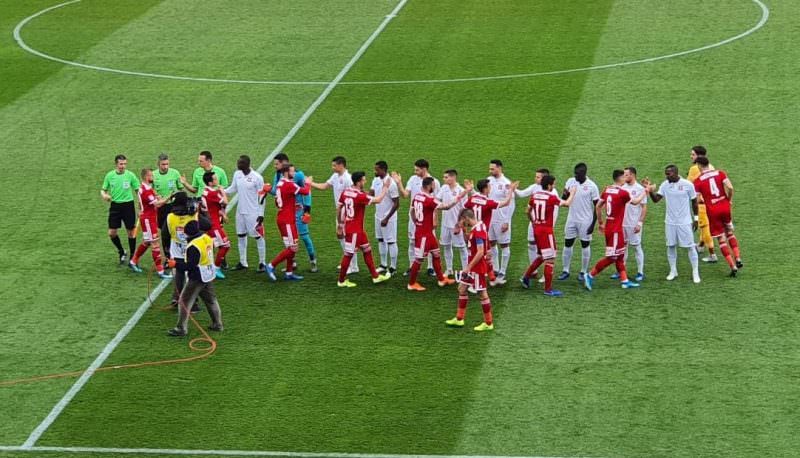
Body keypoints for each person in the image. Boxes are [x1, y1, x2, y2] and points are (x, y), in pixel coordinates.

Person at [320, 171, 392, 287]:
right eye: (364, 180)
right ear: (358, 182)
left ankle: (375, 276)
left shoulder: (346, 192)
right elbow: (378, 200)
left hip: (357, 230)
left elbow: (338, 208)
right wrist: (385, 187)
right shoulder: (359, 196)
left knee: (367, 250)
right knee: (348, 254)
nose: (365, 181)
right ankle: (341, 281)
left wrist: (340, 224)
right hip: (354, 231)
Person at [405, 177, 475, 291]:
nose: (434, 187)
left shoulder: (417, 196)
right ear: (429, 186)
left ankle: (441, 279)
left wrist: (416, 222)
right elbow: (447, 206)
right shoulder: (429, 200)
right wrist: (463, 193)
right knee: (419, 259)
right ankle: (411, 283)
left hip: (427, 233)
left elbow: (412, 211)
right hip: (423, 235)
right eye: (433, 185)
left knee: (436, 254)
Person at [584, 170, 647, 291]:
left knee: (620, 255)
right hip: (615, 230)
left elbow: (598, 206)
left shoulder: (607, 189)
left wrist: (601, 222)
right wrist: (646, 191)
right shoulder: (623, 193)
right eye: (624, 176)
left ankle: (625, 281)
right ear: (621, 178)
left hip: (610, 227)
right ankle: (590, 275)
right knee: (612, 257)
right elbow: (636, 202)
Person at [643, 165, 701, 283]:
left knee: (690, 246)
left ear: (675, 173)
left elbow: (694, 202)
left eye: (668, 174)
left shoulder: (688, 185)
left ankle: (695, 271)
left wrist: (696, 219)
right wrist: (650, 191)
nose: (666, 176)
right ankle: (673, 270)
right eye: (666, 174)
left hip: (684, 222)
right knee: (670, 246)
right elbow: (656, 199)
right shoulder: (665, 185)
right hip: (670, 222)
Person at [520, 175, 575, 296]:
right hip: (546, 231)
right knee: (550, 258)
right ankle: (548, 289)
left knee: (541, 255)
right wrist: (573, 193)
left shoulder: (534, 196)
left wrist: (534, 221)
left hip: (537, 229)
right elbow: (567, 203)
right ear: (549, 185)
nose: (554, 186)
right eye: (553, 184)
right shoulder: (551, 197)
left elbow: (527, 211)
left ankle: (525, 276)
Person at [168, 220, 223, 337]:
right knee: (211, 300)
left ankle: (181, 329)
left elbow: (190, 266)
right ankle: (217, 324)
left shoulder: (193, 246)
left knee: (184, 301)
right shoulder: (206, 237)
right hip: (208, 273)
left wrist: (175, 264)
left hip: (197, 277)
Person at [444, 209, 495, 332]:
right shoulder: (480, 226)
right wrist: (464, 230)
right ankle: (459, 319)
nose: (461, 223)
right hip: (473, 266)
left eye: (462, 220)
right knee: (461, 289)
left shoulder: (478, 231)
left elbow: (480, 251)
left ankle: (488, 323)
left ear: (466, 218)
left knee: (482, 294)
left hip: (476, 268)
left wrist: (468, 267)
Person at [693, 156, 743, 276]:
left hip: (713, 210)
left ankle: (733, 266)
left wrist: (706, 201)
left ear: (699, 166)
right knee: (730, 233)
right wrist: (728, 199)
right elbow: (730, 187)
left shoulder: (698, 181)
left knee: (721, 238)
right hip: (725, 206)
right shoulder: (720, 173)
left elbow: (698, 199)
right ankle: (738, 257)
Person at [308, 156, 358, 274]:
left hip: (347, 213)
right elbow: (325, 186)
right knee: (340, 236)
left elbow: (354, 194)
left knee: (348, 239)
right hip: (339, 212)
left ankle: (354, 266)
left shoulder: (348, 179)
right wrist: (310, 183)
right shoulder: (335, 176)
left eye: (334, 165)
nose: (333, 167)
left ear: (341, 165)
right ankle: (347, 261)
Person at [392, 159, 440, 277]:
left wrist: (435, 218)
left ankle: (430, 267)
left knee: (431, 243)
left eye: (417, 169)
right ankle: (411, 266)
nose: (415, 171)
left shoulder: (434, 182)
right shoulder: (413, 179)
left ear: (424, 169)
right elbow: (405, 195)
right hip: (414, 217)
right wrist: (399, 183)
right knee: (412, 241)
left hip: (428, 219)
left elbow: (437, 202)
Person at [463, 178, 516, 285]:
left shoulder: (472, 198)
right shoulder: (488, 202)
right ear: (486, 189)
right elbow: (506, 203)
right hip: (481, 232)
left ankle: (491, 277)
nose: (491, 188)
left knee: (485, 253)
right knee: (480, 255)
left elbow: (466, 209)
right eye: (489, 186)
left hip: (473, 231)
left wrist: (465, 228)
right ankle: (473, 278)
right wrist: (511, 191)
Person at [271, 153, 317, 273]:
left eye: (277, 164)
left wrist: (307, 211)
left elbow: (307, 192)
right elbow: (277, 192)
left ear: (284, 163)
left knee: (305, 237)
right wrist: (266, 189)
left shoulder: (298, 175)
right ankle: (292, 264)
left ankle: (313, 261)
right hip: (288, 213)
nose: (275, 166)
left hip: (298, 211)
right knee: (289, 240)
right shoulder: (278, 176)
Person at [264, 164, 311, 282]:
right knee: (293, 247)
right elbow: (305, 191)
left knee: (291, 246)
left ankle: (289, 272)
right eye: (292, 171)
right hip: (287, 221)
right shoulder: (289, 184)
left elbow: (281, 200)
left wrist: (293, 205)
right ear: (286, 172)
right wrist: (308, 182)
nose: (294, 174)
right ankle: (271, 266)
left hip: (283, 217)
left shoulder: (280, 183)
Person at [558, 163, 600, 282]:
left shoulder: (592, 186)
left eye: (577, 174)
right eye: (575, 173)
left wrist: (593, 224)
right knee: (567, 242)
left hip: (586, 221)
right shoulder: (570, 181)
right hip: (571, 219)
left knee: (585, 244)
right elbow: (564, 200)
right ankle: (565, 270)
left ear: (584, 173)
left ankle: (583, 271)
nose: (575, 176)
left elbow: (597, 206)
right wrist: (565, 194)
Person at [224, 155, 267, 271]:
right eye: (238, 162)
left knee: (258, 236)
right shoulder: (237, 174)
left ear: (247, 164)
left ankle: (262, 262)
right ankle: (243, 262)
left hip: (253, 212)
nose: (238, 164)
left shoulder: (257, 178)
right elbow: (233, 188)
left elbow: (262, 196)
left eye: (240, 163)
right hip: (240, 211)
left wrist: (261, 214)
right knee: (241, 236)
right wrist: (221, 191)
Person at [129, 168, 172, 279]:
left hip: (149, 218)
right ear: (146, 177)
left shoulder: (146, 188)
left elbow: (143, 202)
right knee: (155, 243)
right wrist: (169, 197)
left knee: (147, 242)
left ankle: (133, 261)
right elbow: (158, 204)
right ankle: (160, 271)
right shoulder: (146, 191)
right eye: (151, 175)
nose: (153, 177)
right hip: (148, 219)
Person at [610, 166, 648, 281]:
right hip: (622, 224)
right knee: (622, 248)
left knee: (636, 247)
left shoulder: (640, 188)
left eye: (626, 174)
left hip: (633, 224)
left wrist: (640, 223)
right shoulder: (622, 187)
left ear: (632, 175)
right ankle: (621, 270)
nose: (624, 177)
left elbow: (644, 207)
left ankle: (640, 272)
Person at [100, 154, 140, 264]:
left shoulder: (130, 175)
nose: (123, 166)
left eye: (125, 164)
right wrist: (104, 195)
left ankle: (133, 256)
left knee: (131, 232)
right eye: (121, 164)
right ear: (116, 164)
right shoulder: (109, 176)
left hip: (128, 205)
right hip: (115, 206)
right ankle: (121, 251)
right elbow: (103, 189)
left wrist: (140, 206)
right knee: (111, 233)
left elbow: (138, 191)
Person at [164, 192, 200, 310]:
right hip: (191, 249)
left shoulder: (170, 217)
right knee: (192, 276)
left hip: (177, 249)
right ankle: (192, 302)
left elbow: (165, 234)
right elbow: (207, 224)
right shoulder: (193, 216)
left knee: (179, 275)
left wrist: (166, 251)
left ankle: (176, 298)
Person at [486, 159, 516, 284]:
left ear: (499, 168)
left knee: (504, 245)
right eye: (490, 169)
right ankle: (496, 269)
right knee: (491, 243)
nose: (490, 171)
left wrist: (506, 221)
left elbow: (511, 204)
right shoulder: (489, 180)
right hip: (490, 219)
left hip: (501, 219)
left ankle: (503, 271)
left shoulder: (506, 183)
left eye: (492, 169)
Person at [515, 168, 551, 270]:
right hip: (534, 222)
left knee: (545, 248)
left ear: (544, 178)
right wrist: (513, 188)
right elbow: (522, 194)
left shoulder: (551, 191)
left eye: (538, 177)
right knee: (531, 243)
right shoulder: (534, 187)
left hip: (545, 224)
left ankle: (545, 273)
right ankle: (533, 270)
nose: (535, 178)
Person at [687, 146, 717, 263]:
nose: (691, 156)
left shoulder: (695, 168)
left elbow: (688, 184)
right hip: (712, 201)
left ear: (699, 156)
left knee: (704, 227)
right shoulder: (711, 166)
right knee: (705, 224)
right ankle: (700, 245)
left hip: (701, 202)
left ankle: (712, 254)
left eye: (693, 154)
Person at [436, 169, 468, 277]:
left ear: (453, 177)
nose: (443, 179)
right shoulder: (444, 188)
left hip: (456, 224)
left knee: (462, 247)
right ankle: (449, 269)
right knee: (446, 246)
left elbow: (464, 210)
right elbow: (437, 199)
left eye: (446, 177)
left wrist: (459, 224)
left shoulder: (461, 190)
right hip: (445, 224)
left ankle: (465, 270)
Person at [370, 161, 400, 276]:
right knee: (381, 240)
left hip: (389, 218)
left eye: (377, 170)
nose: (375, 171)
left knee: (391, 242)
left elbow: (396, 204)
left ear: (383, 170)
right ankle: (383, 264)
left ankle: (393, 267)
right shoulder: (375, 180)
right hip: (378, 216)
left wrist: (387, 218)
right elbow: (371, 195)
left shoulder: (391, 184)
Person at [152, 153, 183, 261]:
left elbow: (180, 189)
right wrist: (155, 194)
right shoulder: (153, 175)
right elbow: (149, 189)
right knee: (165, 233)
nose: (165, 166)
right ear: (158, 164)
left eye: (167, 164)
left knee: (174, 231)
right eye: (163, 164)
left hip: (174, 207)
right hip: (161, 208)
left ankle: (176, 255)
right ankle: (168, 257)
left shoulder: (175, 173)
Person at [200, 171, 230, 280]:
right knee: (226, 245)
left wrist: (222, 214)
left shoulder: (205, 192)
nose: (217, 180)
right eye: (215, 179)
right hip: (214, 225)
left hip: (210, 222)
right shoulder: (213, 193)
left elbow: (211, 208)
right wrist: (222, 191)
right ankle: (216, 267)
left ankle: (205, 266)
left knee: (211, 246)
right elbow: (225, 202)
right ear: (210, 182)